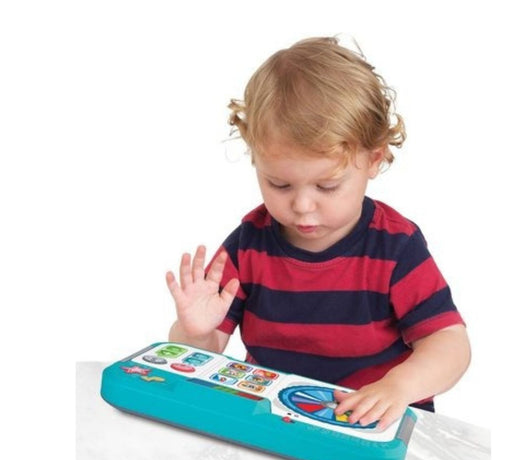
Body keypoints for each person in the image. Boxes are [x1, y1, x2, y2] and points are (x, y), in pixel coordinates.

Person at [165, 36, 471, 430]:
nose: (302, 206)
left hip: (376, 424)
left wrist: (398, 387)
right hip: (275, 420)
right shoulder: (248, 245)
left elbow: (450, 343)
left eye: (327, 186)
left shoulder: (395, 246)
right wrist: (196, 333)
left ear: (374, 159)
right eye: (279, 184)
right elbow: (200, 360)